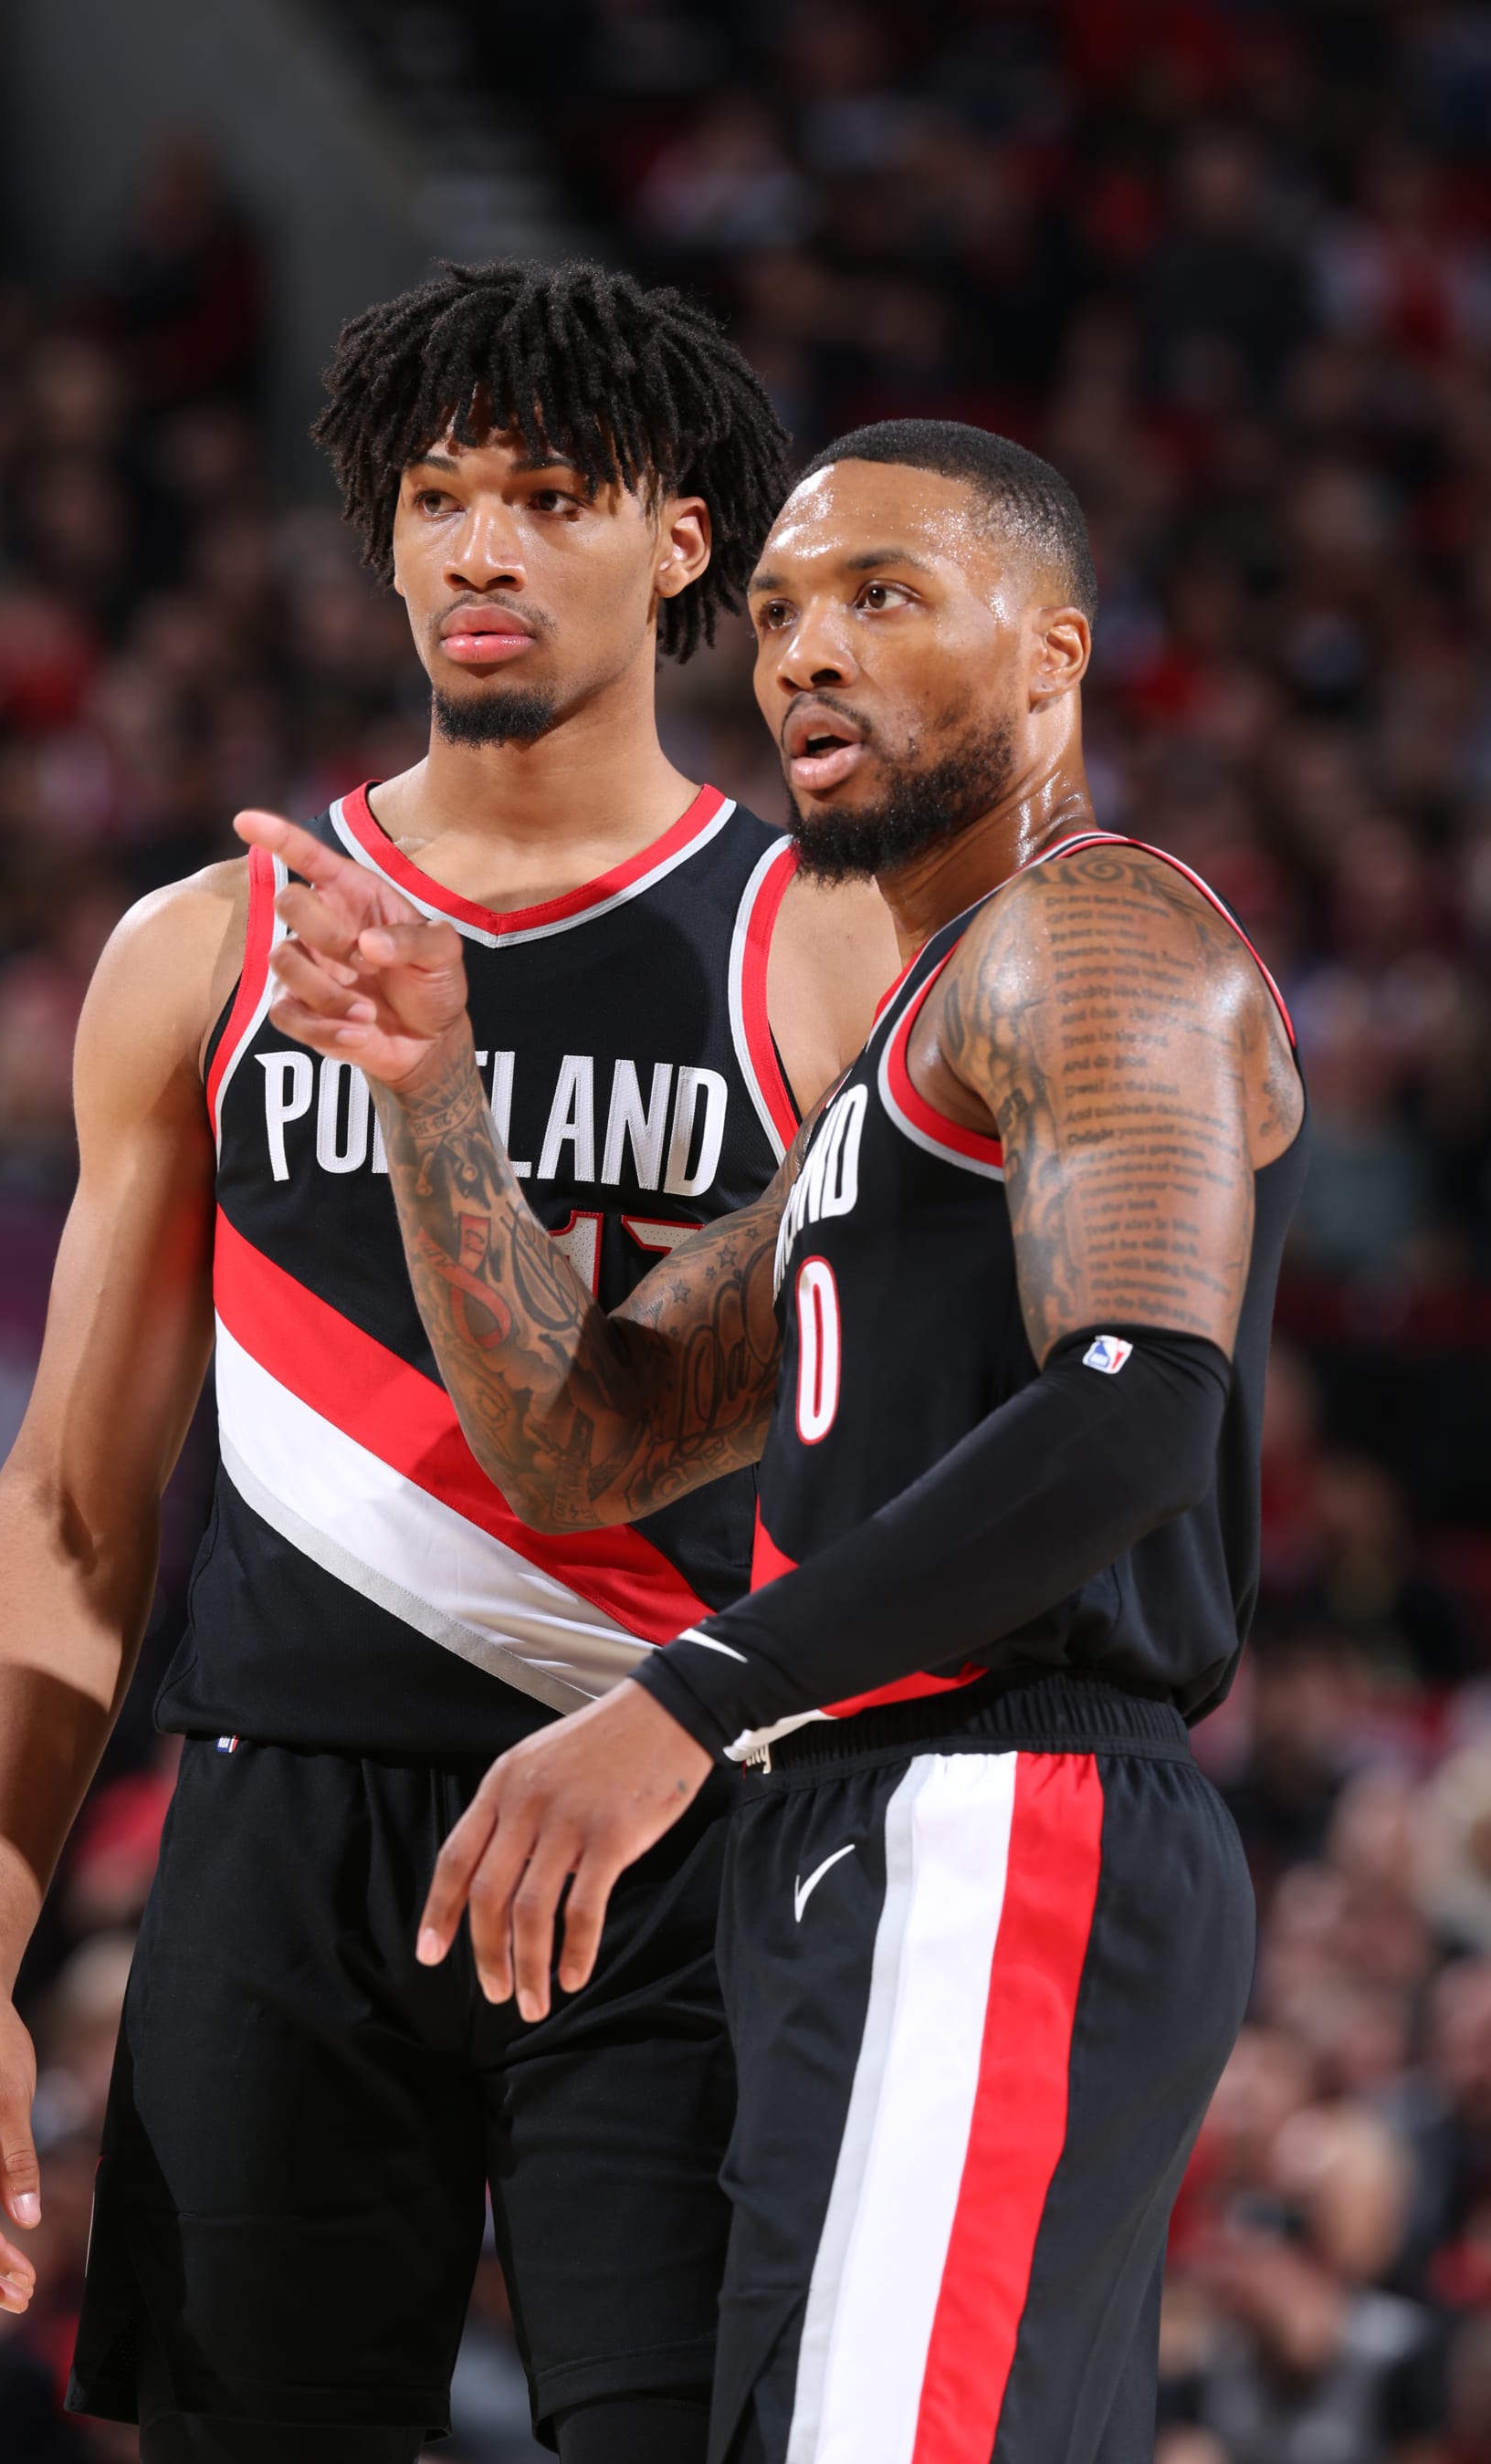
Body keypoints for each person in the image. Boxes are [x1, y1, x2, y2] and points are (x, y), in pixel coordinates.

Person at [0, 263, 898, 2464]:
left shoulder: (816, 943)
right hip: (281, 1835)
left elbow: (909, 1470)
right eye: (439, 498)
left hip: (668, 1816)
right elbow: (72, 1510)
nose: (480, 548)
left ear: (683, 541)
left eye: (549, 495)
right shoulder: (209, 948)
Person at [251, 415, 1310, 2464]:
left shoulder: (1096, 936)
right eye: (782, 610)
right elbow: (589, 1442)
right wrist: (432, 1092)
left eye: (883, 598)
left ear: (1054, 652)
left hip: (1001, 1804)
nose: (805, 651)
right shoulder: (898, 1065)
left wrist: (683, 1699)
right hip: (855, 1821)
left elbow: (1136, 1404)